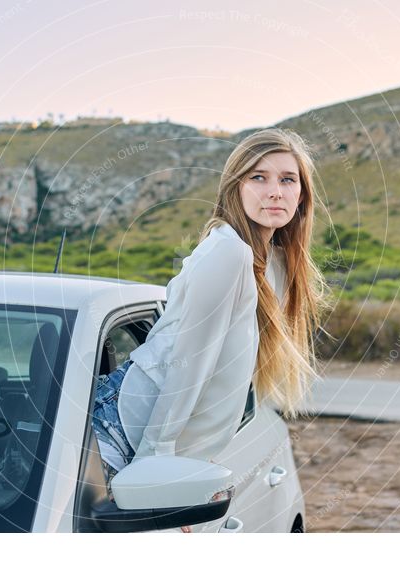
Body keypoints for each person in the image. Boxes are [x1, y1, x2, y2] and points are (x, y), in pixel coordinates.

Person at [91, 127, 332, 532]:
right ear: (235, 187)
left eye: (287, 180)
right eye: (259, 177)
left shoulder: (266, 260)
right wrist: (161, 466)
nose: (274, 191)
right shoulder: (228, 250)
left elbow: (222, 376)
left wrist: (193, 458)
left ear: (301, 195)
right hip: (124, 430)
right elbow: (189, 363)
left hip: (141, 430)